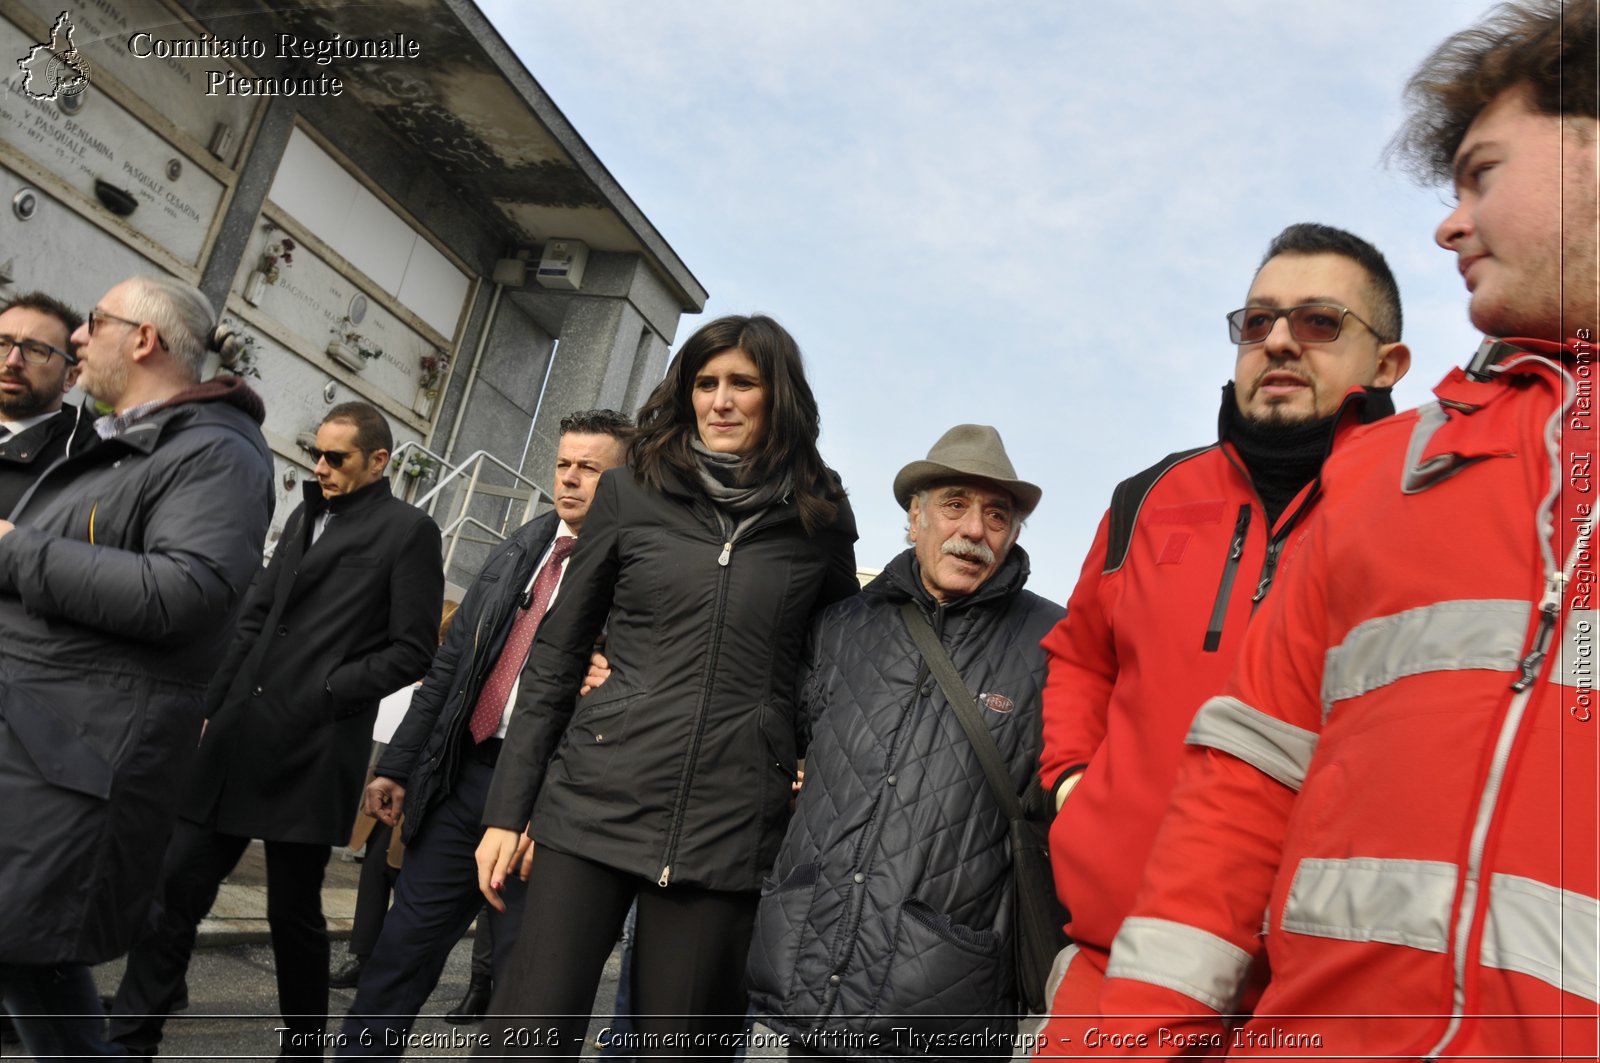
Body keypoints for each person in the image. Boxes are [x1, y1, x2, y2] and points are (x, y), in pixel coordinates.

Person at [1091, 3, 1598, 1058]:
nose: (1448, 224)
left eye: (1480, 174)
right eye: (1255, 321)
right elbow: (1236, 773)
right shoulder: (1370, 474)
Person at [1033, 223, 1411, 1023]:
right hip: (1114, 968)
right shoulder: (1146, 498)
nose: (1277, 340)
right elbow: (1080, 656)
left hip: (1311, 1001)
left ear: (1387, 363)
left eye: (1317, 322)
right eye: (1255, 322)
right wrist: (1072, 778)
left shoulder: (1422, 517)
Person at [473, 315, 858, 1059]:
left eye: (741, 383)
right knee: (526, 1036)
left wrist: (805, 753)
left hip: (730, 820)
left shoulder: (820, 516)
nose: (719, 400)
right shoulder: (629, 493)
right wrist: (507, 810)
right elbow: (557, 653)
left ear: (776, 396)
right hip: (596, 798)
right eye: (704, 383)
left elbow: (836, 656)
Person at [110, 401, 444, 1058]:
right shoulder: (306, 512)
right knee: (174, 887)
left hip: (312, 749)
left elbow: (413, 649)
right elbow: (256, 615)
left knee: (292, 913)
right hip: (235, 737)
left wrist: (327, 689)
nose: (319, 467)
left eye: (336, 457)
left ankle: (302, 1045)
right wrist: (210, 703)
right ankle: (128, 1039)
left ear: (379, 461)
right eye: (315, 454)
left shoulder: (409, 531)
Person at [0, 274, 274, 1059]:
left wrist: (17, 550)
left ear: (144, 339)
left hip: (74, 758)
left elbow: (189, 592)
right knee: (29, 958)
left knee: (31, 954)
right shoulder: (142, 440)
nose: (79, 340)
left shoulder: (214, 452)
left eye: (93, 323)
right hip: (42, 749)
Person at [746, 424, 1062, 1056]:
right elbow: (773, 738)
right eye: (954, 505)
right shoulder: (841, 625)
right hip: (793, 982)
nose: (974, 530)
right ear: (913, 519)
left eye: (997, 515)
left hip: (941, 1004)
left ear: (1014, 535)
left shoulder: (1054, 644)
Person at [337, 409, 634, 1059]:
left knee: (525, 990)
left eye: (590, 468)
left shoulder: (637, 576)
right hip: (464, 776)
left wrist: (617, 676)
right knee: (398, 954)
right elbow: (451, 669)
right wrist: (398, 764)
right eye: (563, 464)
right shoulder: (522, 549)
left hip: (549, 807)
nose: (571, 479)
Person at [0, 291, 95, 515]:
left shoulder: (80, 460)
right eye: (2, 344)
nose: (12, 361)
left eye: (36, 350)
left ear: (71, 377)